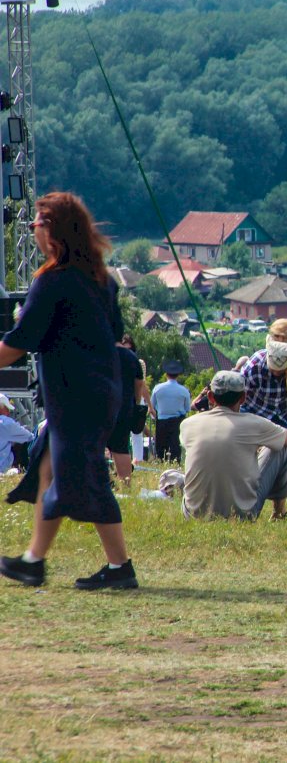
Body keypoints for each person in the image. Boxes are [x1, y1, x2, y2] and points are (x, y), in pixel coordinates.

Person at [0, 192, 138, 590]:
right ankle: (33, 560)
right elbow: (113, 332)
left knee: (88, 476)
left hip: (73, 394)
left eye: (37, 223)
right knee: (48, 468)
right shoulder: (100, 279)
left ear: (54, 231)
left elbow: (20, 341)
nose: (31, 230)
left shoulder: (53, 280)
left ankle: (120, 568)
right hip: (100, 389)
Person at [179, 370, 287, 520]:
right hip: (241, 515)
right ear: (243, 398)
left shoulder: (188, 424)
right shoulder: (254, 423)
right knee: (281, 447)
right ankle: (279, 512)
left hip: (193, 514)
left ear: (210, 396)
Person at [240, 336, 287, 519]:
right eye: (275, 371)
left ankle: (278, 508)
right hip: (253, 413)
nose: (279, 375)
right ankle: (250, 499)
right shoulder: (253, 368)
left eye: (282, 372)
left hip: (281, 416)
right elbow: (239, 399)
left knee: (284, 448)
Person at [108, 338, 146, 488]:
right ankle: (126, 486)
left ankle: (100, 483)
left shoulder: (99, 351)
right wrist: (136, 403)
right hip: (124, 408)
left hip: (100, 406)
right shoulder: (131, 357)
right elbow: (139, 383)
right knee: (121, 447)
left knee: (94, 446)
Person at [149, 360, 190, 462]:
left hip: (161, 419)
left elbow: (152, 405)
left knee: (161, 447)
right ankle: (175, 462)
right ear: (178, 375)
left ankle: (160, 461)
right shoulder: (184, 390)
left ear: (166, 374)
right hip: (177, 421)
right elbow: (187, 408)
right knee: (175, 445)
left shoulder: (157, 388)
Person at [120, 334, 147, 464]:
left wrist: (141, 401)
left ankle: (138, 459)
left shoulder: (137, 362)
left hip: (134, 397)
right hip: (121, 398)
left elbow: (142, 383)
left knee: (137, 431)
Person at [0, 394, 33, 474]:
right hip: (2, 468)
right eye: (7, 408)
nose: (8, 412)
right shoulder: (6, 423)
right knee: (24, 443)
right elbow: (29, 437)